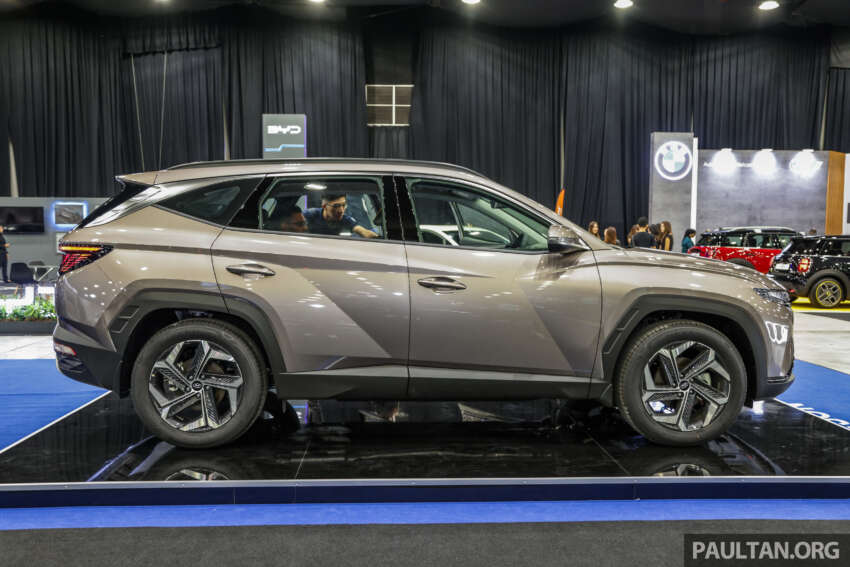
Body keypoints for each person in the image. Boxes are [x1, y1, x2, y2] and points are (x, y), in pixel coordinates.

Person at [303, 194, 378, 238]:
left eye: (343, 205)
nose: (341, 210)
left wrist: (378, 239)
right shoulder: (310, 214)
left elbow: (362, 231)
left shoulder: (344, 219)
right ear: (324, 206)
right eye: (336, 206)